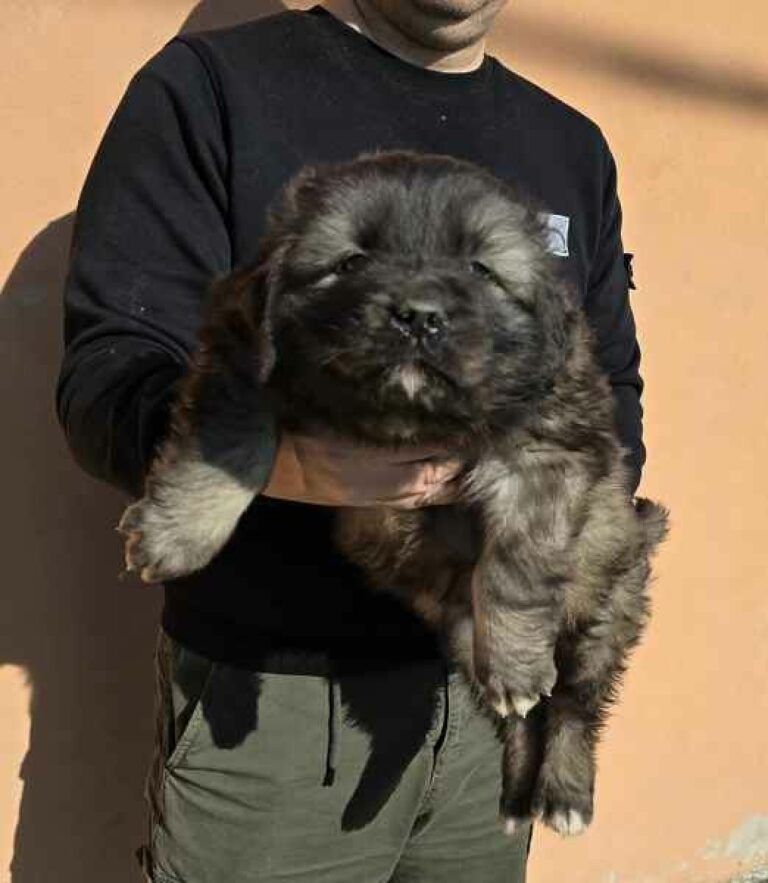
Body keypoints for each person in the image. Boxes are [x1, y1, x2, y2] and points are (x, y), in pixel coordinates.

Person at [56, 1, 646, 880]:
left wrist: (542, 540)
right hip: (281, 708)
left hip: (493, 699)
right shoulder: (212, 91)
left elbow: (612, 389)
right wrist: (280, 462)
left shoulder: (571, 146)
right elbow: (111, 370)